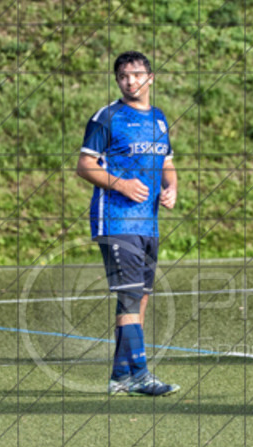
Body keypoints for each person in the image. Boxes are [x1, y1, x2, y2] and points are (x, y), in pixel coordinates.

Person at [77, 51, 179, 397]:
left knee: (141, 298)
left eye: (136, 75)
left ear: (151, 78)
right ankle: (139, 374)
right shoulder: (107, 118)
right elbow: (85, 166)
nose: (130, 81)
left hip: (148, 224)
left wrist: (172, 188)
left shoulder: (160, 120)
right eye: (123, 76)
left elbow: (167, 162)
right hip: (117, 220)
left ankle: (121, 375)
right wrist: (121, 184)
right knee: (131, 298)